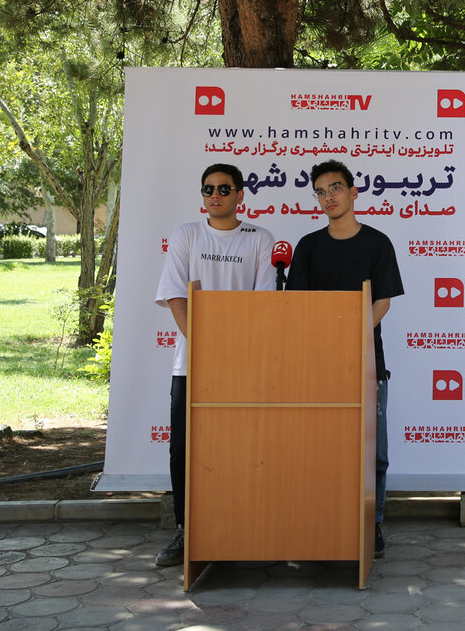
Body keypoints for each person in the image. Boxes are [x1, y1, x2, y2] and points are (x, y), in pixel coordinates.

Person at [153, 164, 277, 566]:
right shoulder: (187, 234)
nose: (215, 195)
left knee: (241, 447)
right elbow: (177, 297)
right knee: (184, 448)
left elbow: (263, 304)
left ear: (240, 195)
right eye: (208, 189)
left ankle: (240, 529)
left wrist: (233, 353)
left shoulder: (260, 239)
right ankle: (185, 529)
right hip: (193, 363)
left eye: (224, 189)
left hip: (244, 364)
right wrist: (207, 347)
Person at [286, 159, 404, 557]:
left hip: (367, 362)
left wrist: (350, 335)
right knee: (321, 448)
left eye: (335, 188)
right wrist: (324, 341)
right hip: (316, 364)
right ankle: (322, 521)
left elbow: (382, 302)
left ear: (353, 192)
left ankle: (373, 523)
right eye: (320, 192)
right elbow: (297, 308)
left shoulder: (377, 243)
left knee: (374, 453)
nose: (328, 197)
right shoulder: (308, 246)